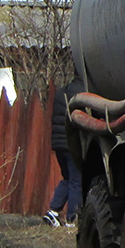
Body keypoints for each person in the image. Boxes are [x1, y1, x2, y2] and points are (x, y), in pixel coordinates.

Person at [43, 77, 84, 227]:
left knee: (67, 178)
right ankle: (72, 219)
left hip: (58, 143)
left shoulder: (61, 92)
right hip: (72, 143)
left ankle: (53, 212)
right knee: (76, 182)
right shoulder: (82, 93)